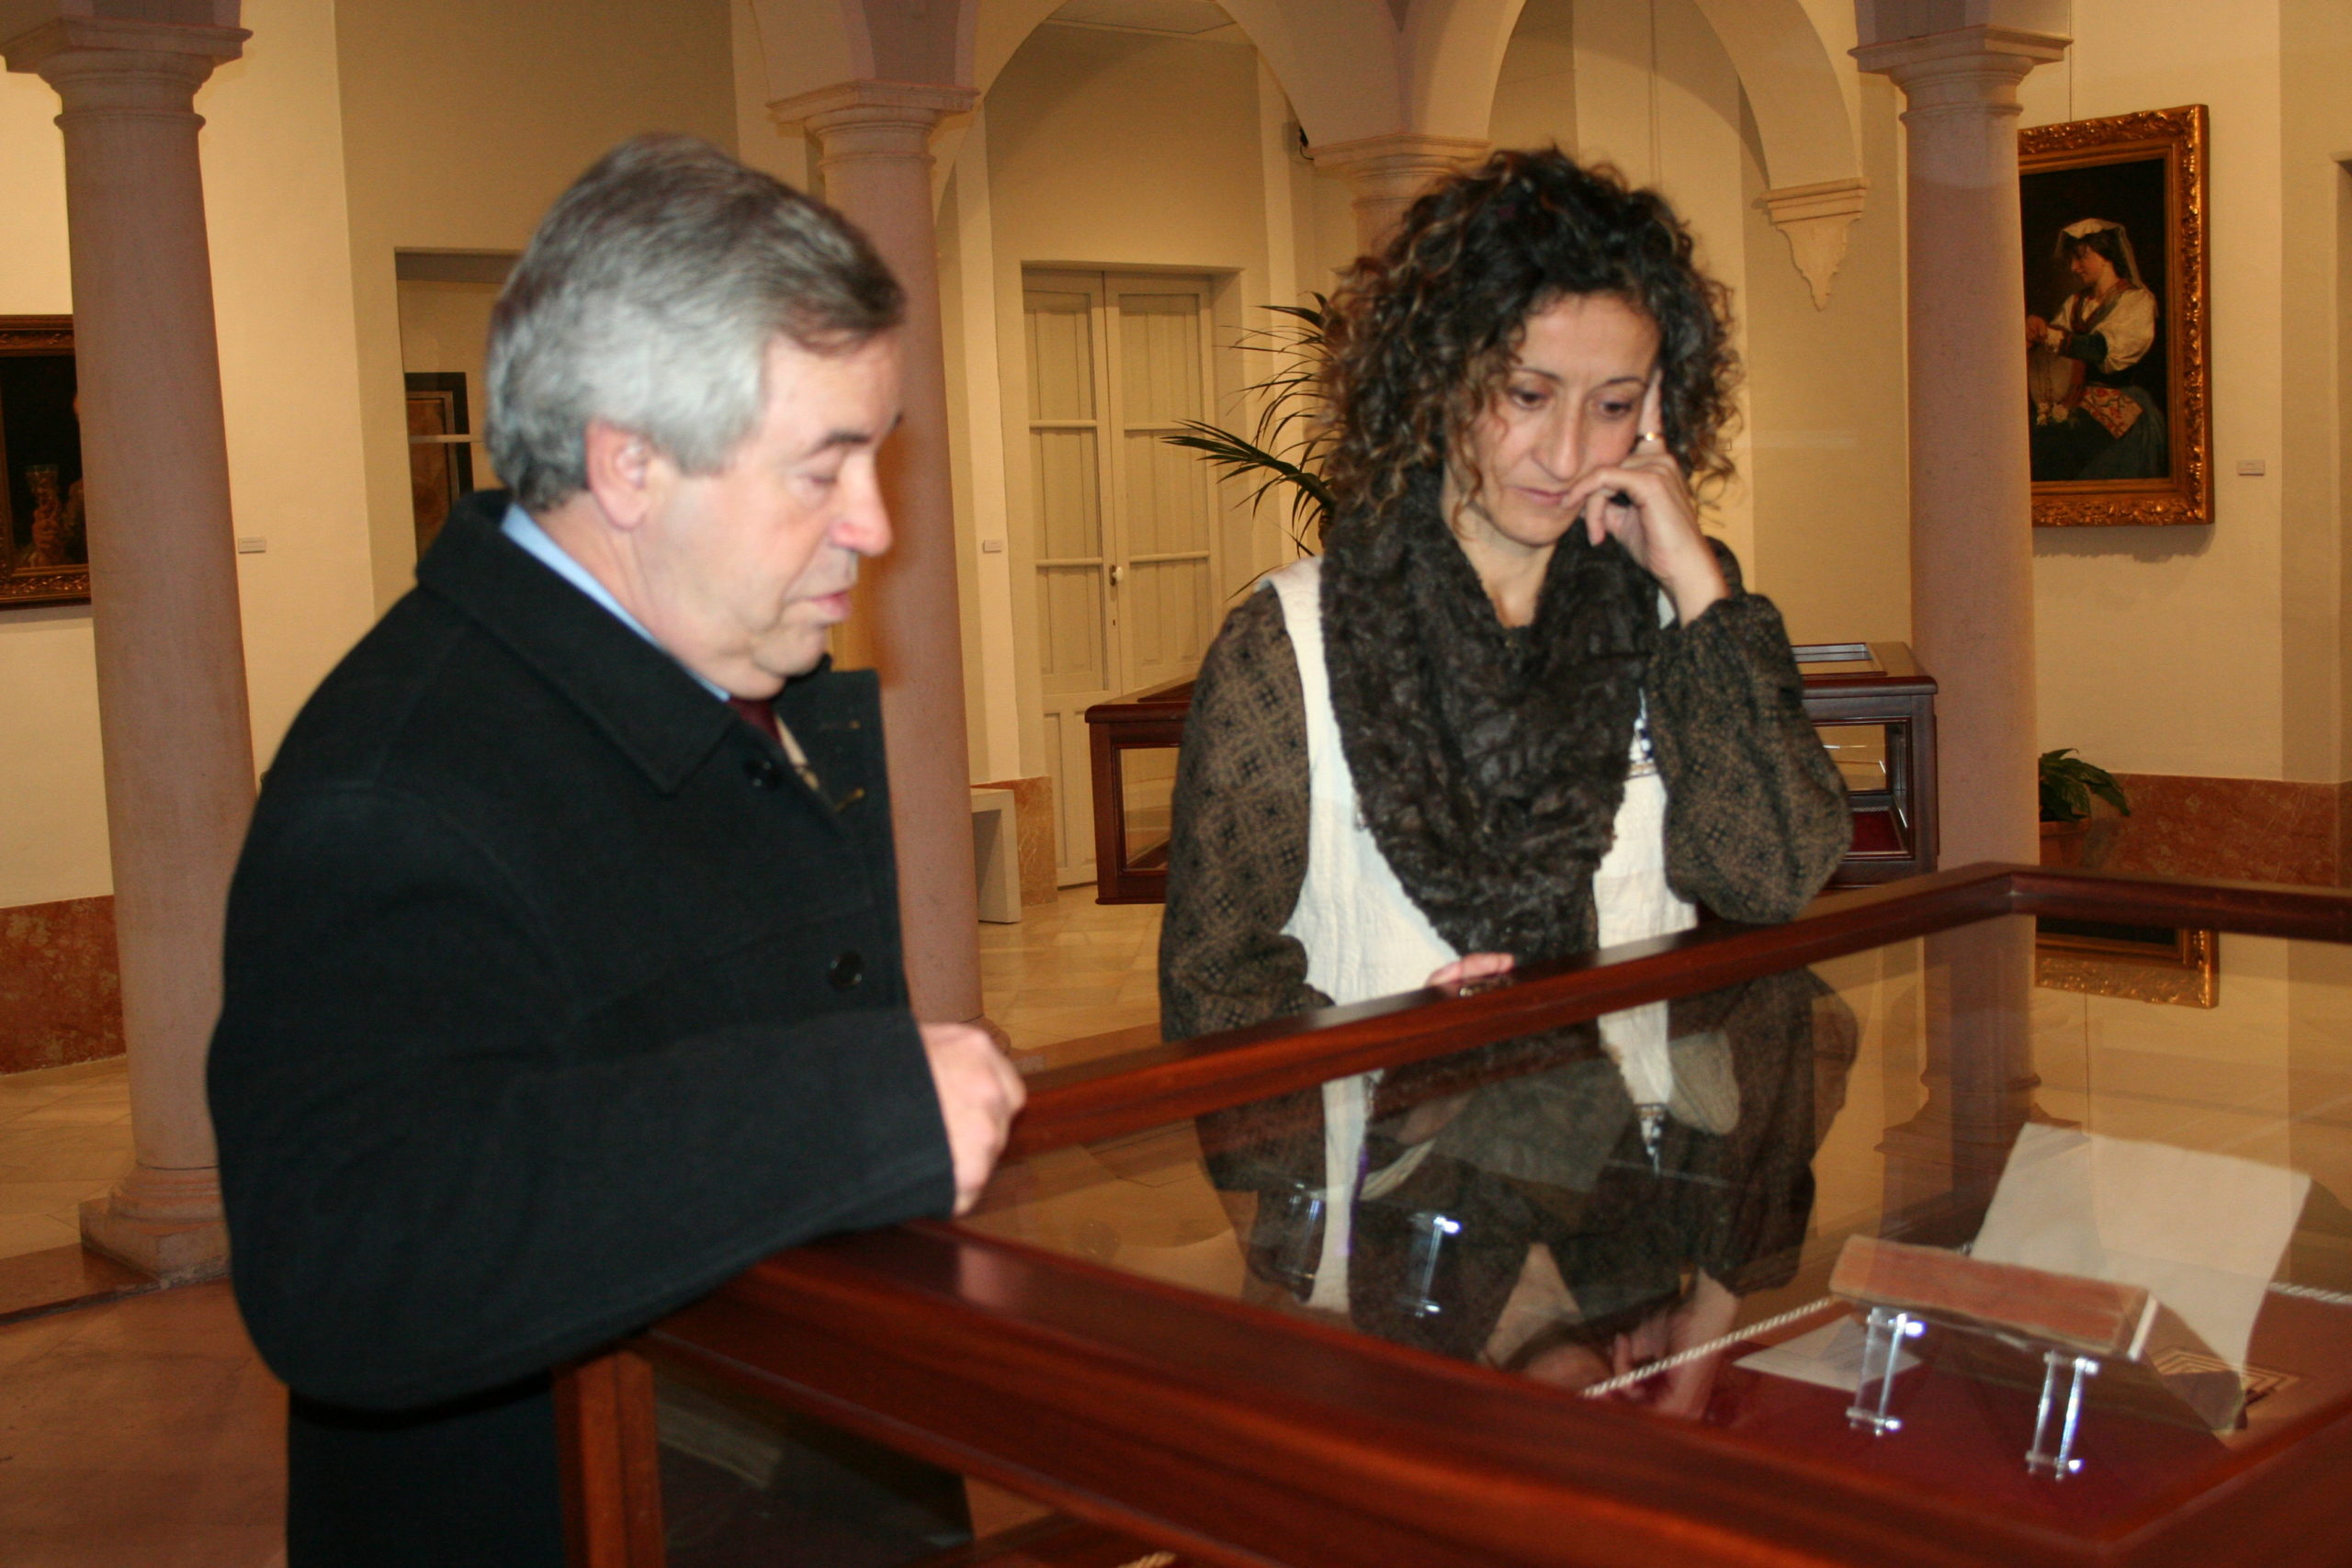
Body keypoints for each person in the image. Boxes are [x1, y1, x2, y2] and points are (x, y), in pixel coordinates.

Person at [208, 135, 1024, 1567]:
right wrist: (848, 1115)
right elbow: (347, 1252)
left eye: (877, 459)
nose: (876, 526)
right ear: (629, 463)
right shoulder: (398, 783)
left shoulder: (724, 674)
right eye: (823, 469)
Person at [1159, 150, 1849, 1403]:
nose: (1566, 448)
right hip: (1391, 1240)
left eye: (1615, 403)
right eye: (1526, 392)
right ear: (1439, 380)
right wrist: (1404, 1054)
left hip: (1640, 1226)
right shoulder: (1291, 644)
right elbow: (1216, 989)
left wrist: (1699, 584)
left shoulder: (1674, 623)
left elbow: (1774, 881)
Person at [2027, 218, 2166, 482]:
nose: (2074, 267)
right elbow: (2055, 356)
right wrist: (2035, 331)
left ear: (2106, 256)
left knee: (2058, 444)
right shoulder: (2076, 302)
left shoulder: (2136, 301)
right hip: (2074, 397)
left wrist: (2050, 336)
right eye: (2072, 259)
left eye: (2082, 258)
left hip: (2120, 399)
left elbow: (2100, 349)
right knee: (2039, 441)